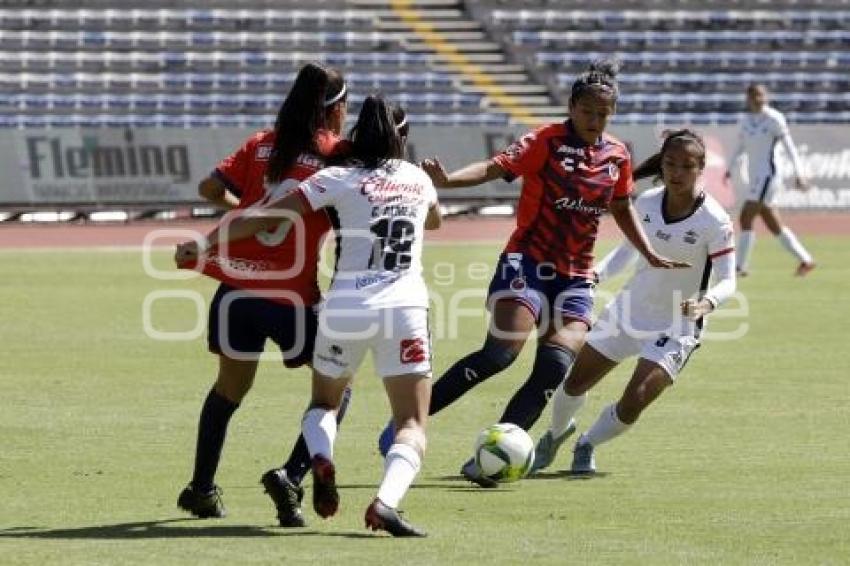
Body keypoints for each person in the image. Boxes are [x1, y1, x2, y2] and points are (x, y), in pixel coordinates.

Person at [378, 60, 685, 486]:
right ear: (572, 107)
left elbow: (621, 207)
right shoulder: (546, 140)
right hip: (527, 263)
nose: (596, 121)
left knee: (554, 367)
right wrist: (447, 182)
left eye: (604, 115)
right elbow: (495, 167)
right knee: (500, 355)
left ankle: (493, 456)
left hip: (576, 277)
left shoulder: (617, 156)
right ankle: (408, 422)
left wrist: (647, 252)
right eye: (588, 112)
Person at [176, 95, 441, 537]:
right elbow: (433, 222)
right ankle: (386, 503)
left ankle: (319, 456)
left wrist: (204, 245)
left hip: (345, 306)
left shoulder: (336, 177)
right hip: (405, 307)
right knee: (411, 423)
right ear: (403, 139)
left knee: (323, 403)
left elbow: (264, 216)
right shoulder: (418, 179)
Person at [175, 62, 352, 527]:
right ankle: (292, 476)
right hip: (290, 296)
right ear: (335, 110)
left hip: (236, 291)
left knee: (227, 393)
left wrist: (248, 211)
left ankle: (200, 488)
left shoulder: (261, 144)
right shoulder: (334, 153)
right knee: (339, 388)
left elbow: (210, 187)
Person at [531, 129, 737, 475]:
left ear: (701, 168)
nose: (677, 172)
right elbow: (628, 251)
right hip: (629, 310)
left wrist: (708, 303)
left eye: (687, 166)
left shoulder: (714, 220)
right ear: (663, 164)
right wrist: (595, 274)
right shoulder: (646, 202)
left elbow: (728, 279)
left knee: (635, 401)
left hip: (677, 325)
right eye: (671, 164)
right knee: (574, 383)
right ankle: (554, 435)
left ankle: (588, 443)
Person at [725, 83, 815, 277]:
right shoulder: (746, 120)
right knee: (773, 223)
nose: (758, 99)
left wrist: (800, 172)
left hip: (769, 176)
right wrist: (729, 168)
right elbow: (740, 146)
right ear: (748, 98)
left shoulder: (774, 118)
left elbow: (790, 146)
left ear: (766, 97)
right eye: (754, 95)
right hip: (755, 176)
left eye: (761, 95)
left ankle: (739, 266)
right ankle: (806, 260)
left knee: (745, 217)